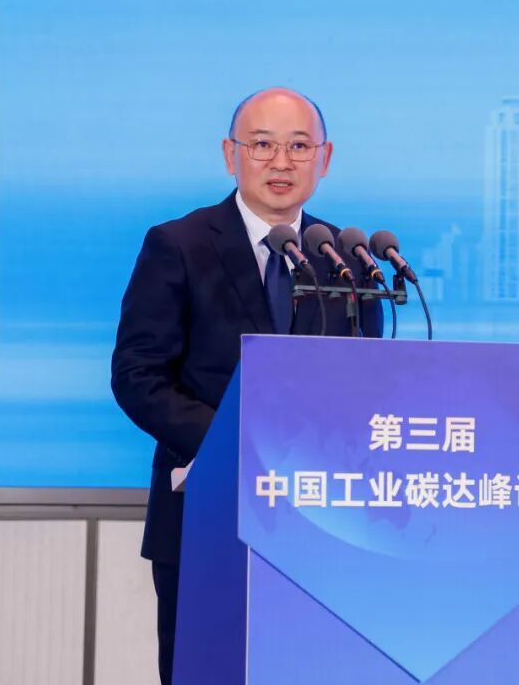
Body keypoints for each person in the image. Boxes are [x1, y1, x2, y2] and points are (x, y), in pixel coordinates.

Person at [110, 87, 384, 685]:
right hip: (206, 520)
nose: (281, 162)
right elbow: (137, 375)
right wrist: (237, 446)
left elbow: (368, 386)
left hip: (324, 526)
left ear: (325, 158)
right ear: (229, 153)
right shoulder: (179, 245)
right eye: (262, 144)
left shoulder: (347, 259)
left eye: (299, 146)